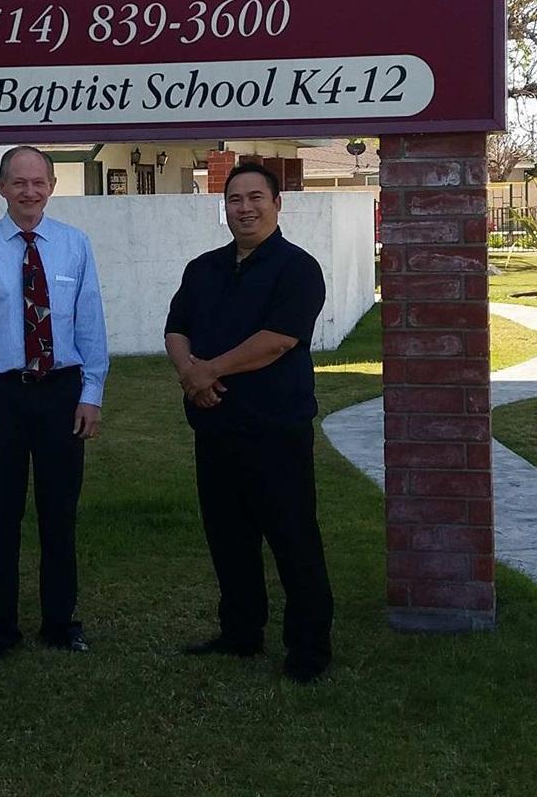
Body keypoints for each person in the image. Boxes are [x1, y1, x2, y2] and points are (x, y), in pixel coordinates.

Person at [164, 162, 333, 682]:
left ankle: (308, 651)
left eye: (256, 197)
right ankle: (240, 632)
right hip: (215, 430)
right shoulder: (203, 269)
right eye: (235, 199)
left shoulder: (298, 269)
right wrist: (191, 373)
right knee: (228, 539)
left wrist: (206, 371)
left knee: (292, 539)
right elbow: (176, 329)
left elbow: (278, 339)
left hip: (275, 432)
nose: (245, 208)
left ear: (277, 204)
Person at [0, 145, 108, 662]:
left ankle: (61, 623)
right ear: (1, 188)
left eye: (38, 182)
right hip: (1, 396)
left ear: (52, 185)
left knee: (59, 513)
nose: (29, 191)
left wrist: (91, 394)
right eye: (18, 182)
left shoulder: (74, 246)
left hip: (61, 391)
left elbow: (89, 327)